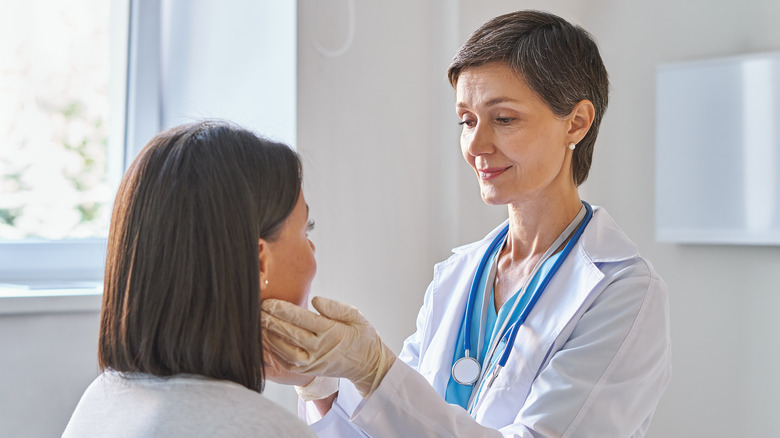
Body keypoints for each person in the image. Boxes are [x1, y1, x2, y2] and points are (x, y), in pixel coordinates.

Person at [261, 9, 671, 437]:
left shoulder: (622, 294)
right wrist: (322, 384)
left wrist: (375, 370)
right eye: (467, 120)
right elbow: (397, 427)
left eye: (504, 119)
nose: (475, 145)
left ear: (576, 123)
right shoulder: (457, 275)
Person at [63, 121, 317, 437]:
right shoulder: (261, 429)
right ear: (259, 262)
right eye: (307, 231)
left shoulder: (102, 399)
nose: (313, 251)